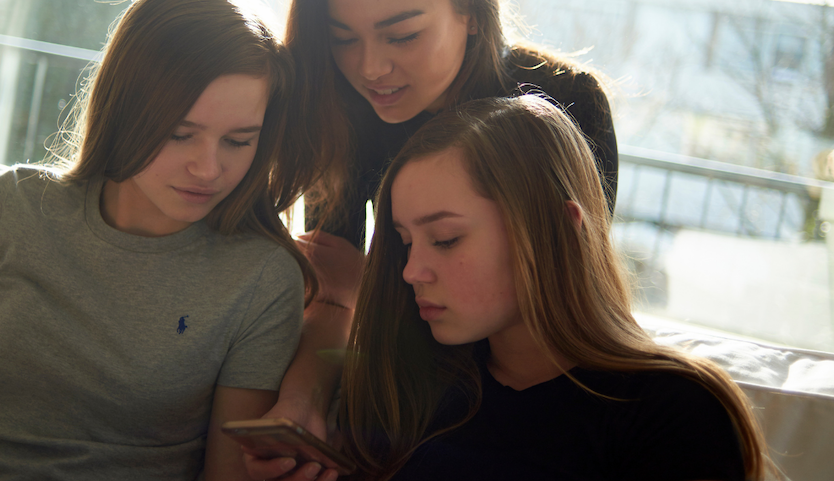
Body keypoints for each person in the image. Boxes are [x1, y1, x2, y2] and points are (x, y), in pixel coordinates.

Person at [0, 0, 315, 479]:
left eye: (238, 140)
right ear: (123, 111)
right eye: (179, 134)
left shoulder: (264, 279)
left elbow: (226, 474)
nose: (208, 169)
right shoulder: (7, 208)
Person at [246, 1, 618, 479]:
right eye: (343, 39)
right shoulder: (343, 105)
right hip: (408, 381)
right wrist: (303, 401)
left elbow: (572, 284)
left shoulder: (562, 101)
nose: (370, 68)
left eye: (401, 37)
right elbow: (336, 294)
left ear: (471, 14)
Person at [337, 95, 769, 480]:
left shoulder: (676, 411)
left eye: (446, 239)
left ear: (558, 229)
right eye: (405, 242)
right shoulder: (411, 386)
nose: (412, 271)